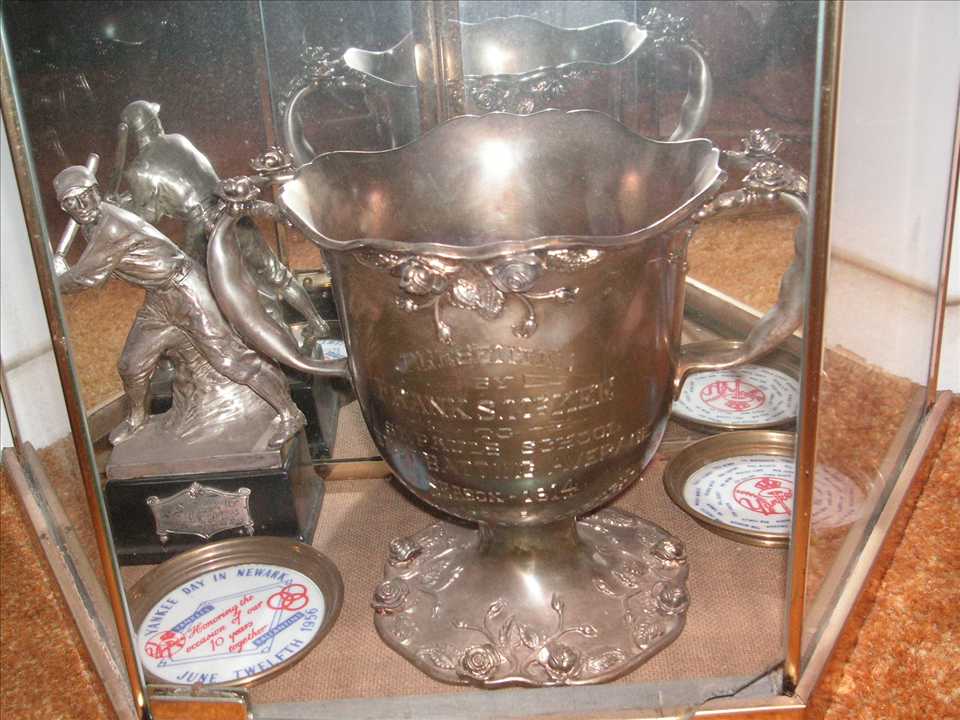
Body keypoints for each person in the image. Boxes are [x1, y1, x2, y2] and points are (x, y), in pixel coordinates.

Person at [53, 164, 305, 449]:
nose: (81, 205)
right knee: (132, 364)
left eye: (85, 195)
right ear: (64, 208)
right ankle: (137, 419)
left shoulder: (111, 224)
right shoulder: (93, 225)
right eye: (71, 202)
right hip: (159, 298)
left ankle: (289, 413)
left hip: (186, 290)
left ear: (96, 192)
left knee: (231, 359)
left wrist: (56, 278)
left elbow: (87, 277)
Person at [108, 100, 329, 347]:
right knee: (275, 273)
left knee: (218, 291)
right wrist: (131, 198)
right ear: (152, 122)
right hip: (230, 206)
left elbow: (149, 215)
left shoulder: (139, 170)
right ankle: (316, 323)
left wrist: (121, 206)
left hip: (204, 231)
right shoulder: (178, 140)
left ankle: (273, 347)